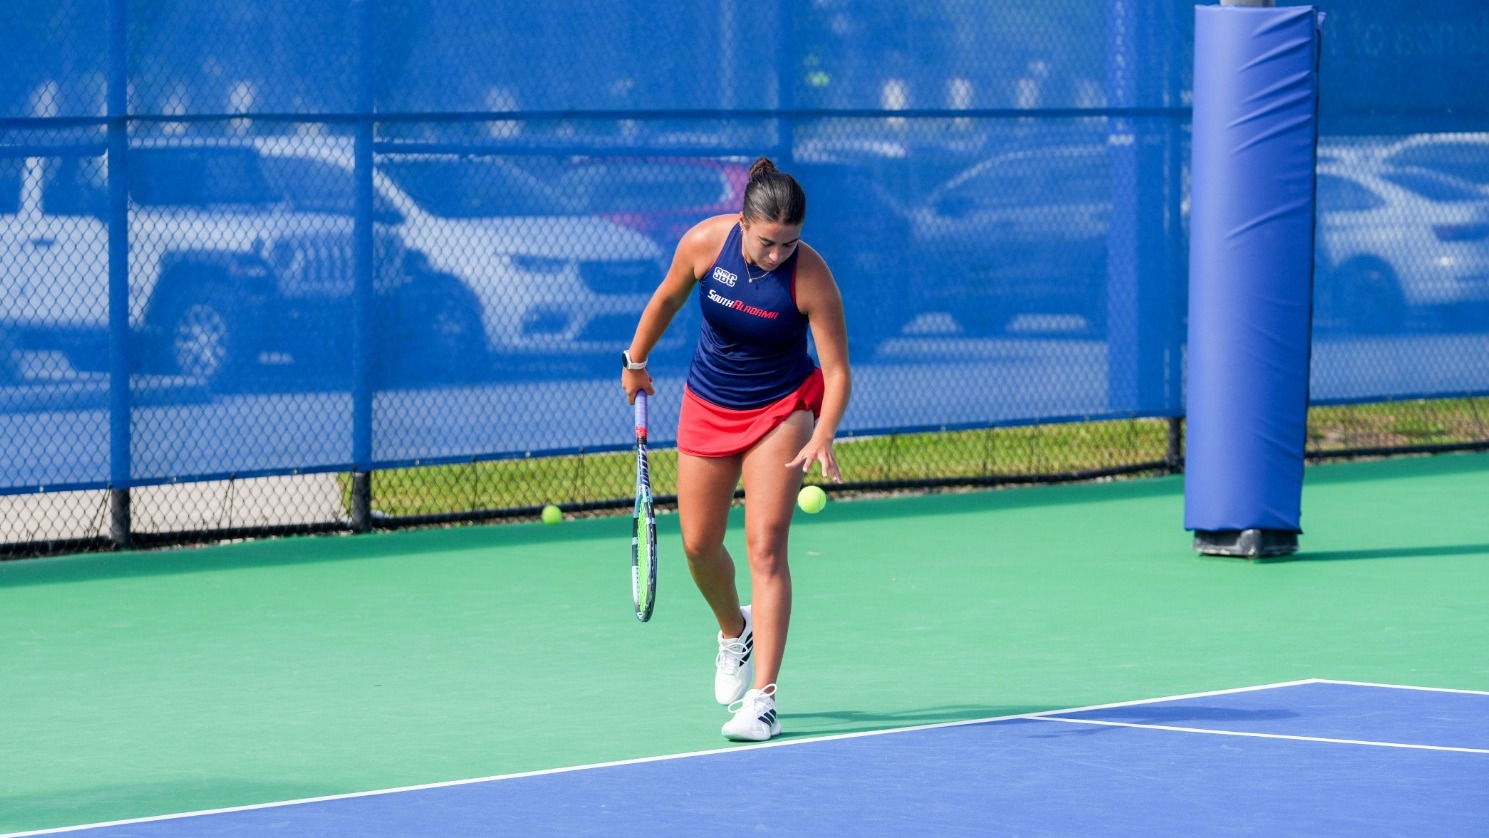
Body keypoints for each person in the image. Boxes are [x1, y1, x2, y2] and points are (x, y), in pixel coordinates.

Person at [621, 157, 852, 742]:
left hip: (782, 410)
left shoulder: (812, 277)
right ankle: (734, 629)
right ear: (744, 222)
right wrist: (637, 361)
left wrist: (823, 427)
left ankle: (764, 699)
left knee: (765, 546)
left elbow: (838, 369)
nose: (778, 255)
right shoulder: (705, 243)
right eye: (768, 242)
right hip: (708, 402)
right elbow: (669, 298)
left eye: (790, 243)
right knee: (698, 547)